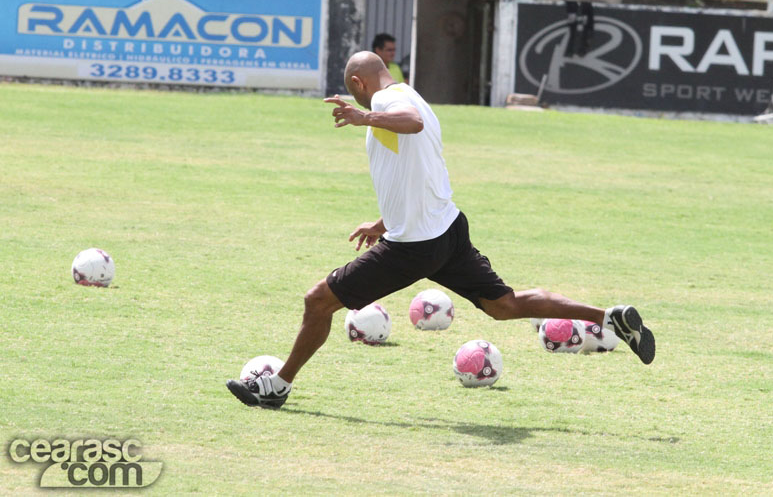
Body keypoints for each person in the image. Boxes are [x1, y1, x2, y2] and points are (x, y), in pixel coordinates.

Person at [226, 51, 655, 409]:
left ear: (358, 82)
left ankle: (277, 386)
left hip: (414, 246)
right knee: (503, 304)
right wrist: (383, 220)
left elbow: (408, 122)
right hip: (447, 229)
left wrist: (363, 117)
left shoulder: (394, 103)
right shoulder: (412, 94)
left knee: (318, 302)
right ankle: (608, 319)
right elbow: (415, 165)